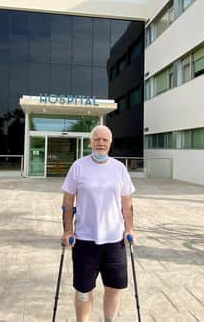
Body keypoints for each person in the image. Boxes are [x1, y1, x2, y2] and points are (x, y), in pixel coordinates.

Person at [61, 125, 135, 322]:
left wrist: (129, 228)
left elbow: (126, 203)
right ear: (90, 142)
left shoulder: (119, 169)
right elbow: (68, 201)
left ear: (110, 144)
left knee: (114, 288)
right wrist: (68, 230)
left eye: (105, 140)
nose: (100, 143)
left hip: (115, 240)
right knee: (83, 291)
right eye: (97, 139)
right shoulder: (78, 166)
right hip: (85, 240)